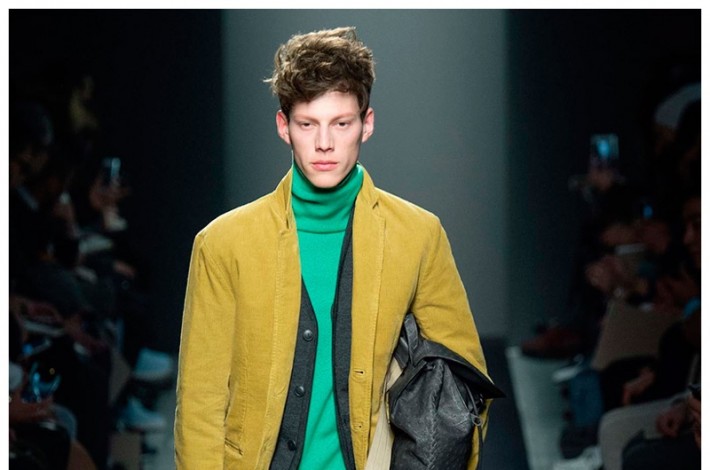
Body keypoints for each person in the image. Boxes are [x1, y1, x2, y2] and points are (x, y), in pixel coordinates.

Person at [175, 26, 492, 469]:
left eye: (341, 124)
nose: (324, 143)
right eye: (308, 124)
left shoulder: (417, 235)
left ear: (367, 123)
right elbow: (200, 403)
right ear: (284, 127)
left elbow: (463, 379)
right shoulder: (224, 244)